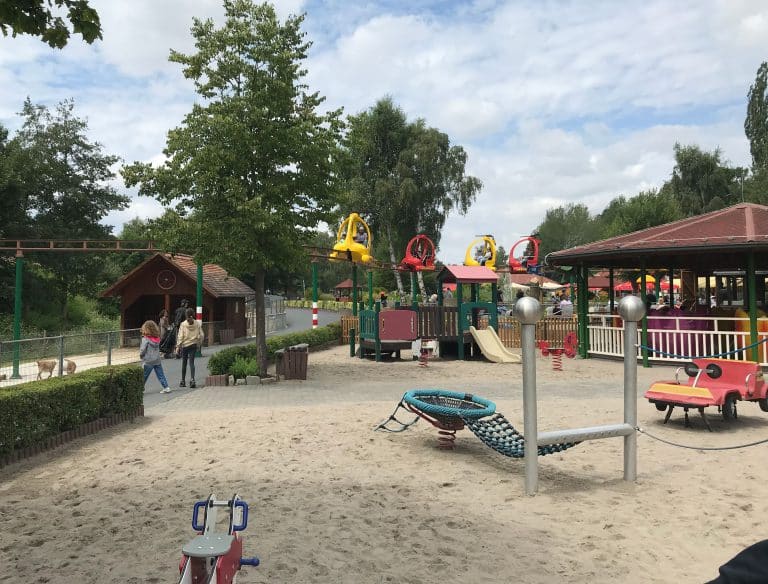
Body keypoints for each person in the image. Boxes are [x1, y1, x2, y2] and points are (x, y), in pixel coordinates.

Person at [140, 320, 171, 394]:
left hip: (148, 360)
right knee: (160, 374)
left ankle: (140, 389)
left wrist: (141, 355)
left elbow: (143, 349)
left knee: (144, 376)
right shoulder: (157, 339)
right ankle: (166, 387)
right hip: (157, 359)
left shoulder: (145, 339)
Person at [176, 308, 205, 389]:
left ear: (186, 315)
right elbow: (202, 335)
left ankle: (182, 381)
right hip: (193, 345)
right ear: (194, 314)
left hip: (185, 345)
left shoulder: (183, 324)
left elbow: (180, 336)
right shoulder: (197, 323)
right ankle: (192, 379)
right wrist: (199, 343)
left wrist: (178, 346)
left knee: (184, 363)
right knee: (191, 363)